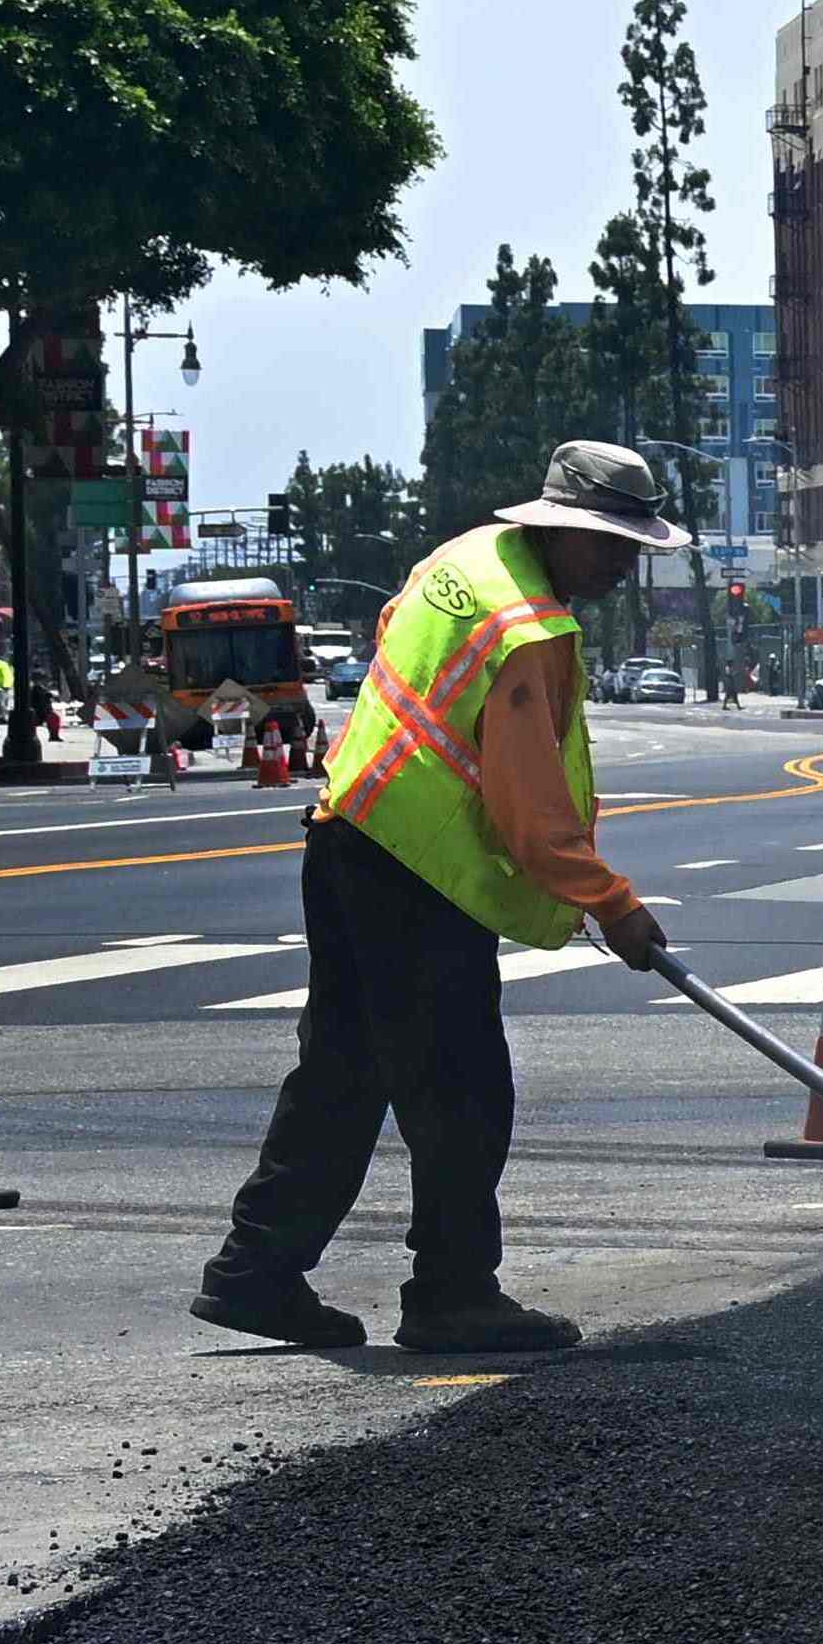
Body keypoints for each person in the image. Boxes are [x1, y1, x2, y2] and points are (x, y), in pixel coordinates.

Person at [187, 442, 687, 1356]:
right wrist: (613, 903)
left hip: (347, 831)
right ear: (562, 531)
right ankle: (453, 1291)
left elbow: (394, 650)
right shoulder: (526, 628)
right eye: (612, 542)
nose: (623, 562)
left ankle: (255, 1270)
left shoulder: (458, 565)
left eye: (634, 545)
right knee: (462, 1085)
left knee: (342, 1072)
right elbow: (532, 811)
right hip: (413, 870)